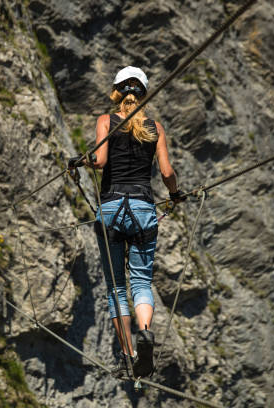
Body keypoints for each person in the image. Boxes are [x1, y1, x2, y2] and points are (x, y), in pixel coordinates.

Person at [70, 66, 185, 379]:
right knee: (141, 283)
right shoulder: (155, 127)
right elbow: (166, 173)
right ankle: (145, 332)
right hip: (144, 210)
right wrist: (175, 195)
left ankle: (128, 357)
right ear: (144, 95)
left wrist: (80, 162)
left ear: (116, 92)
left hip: (112, 211)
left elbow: (100, 162)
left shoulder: (106, 122)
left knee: (116, 289)